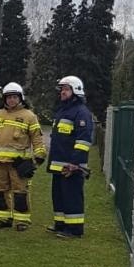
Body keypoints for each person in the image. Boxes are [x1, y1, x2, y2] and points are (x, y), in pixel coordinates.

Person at [0, 82, 46, 231]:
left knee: (20, 192)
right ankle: (4, 219)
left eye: (14, 97)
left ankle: (22, 221)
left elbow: (37, 138)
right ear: (4, 99)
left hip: (18, 163)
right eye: (8, 97)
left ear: (20, 98)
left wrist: (39, 156)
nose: (11, 100)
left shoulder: (29, 116)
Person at [46, 75, 93, 237]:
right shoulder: (63, 111)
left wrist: (75, 163)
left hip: (71, 166)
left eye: (66, 89)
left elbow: (84, 141)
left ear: (76, 90)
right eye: (62, 89)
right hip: (59, 165)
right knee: (59, 196)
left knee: (72, 197)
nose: (62, 92)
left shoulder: (81, 113)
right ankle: (60, 224)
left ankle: (74, 229)